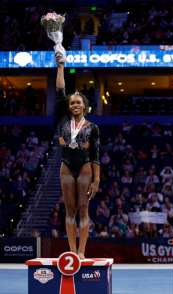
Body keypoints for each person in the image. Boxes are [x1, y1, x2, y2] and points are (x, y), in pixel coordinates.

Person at [55, 53, 100, 259]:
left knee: (83, 208)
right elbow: (59, 90)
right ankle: (72, 251)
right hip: (66, 166)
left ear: (84, 106)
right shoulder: (62, 120)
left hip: (84, 167)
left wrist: (97, 180)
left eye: (78, 103)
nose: (74, 105)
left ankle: (82, 251)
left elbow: (95, 154)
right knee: (69, 209)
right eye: (72, 103)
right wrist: (61, 67)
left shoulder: (93, 127)